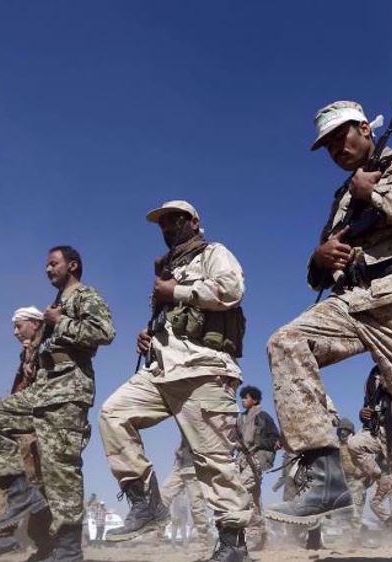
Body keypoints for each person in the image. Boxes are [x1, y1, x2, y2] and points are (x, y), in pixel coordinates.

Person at [265, 100, 392, 562]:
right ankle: (325, 476)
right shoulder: (340, 198)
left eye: (342, 137)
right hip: (352, 302)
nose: (337, 149)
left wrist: (373, 194)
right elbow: (321, 269)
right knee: (287, 341)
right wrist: (319, 258)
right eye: (329, 145)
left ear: (364, 129)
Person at [98, 201, 251, 562]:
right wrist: (149, 335)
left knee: (213, 460)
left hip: (204, 370)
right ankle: (147, 504)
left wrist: (177, 292)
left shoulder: (214, 253)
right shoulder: (167, 270)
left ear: (194, 221)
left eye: (175, 220)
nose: (168, 228)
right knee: (113, 414)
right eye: (163, 224)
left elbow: (231, 290)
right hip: (163, 370)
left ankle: (233, 543)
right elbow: (172, 321)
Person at [0, 246, 115, 562]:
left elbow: (105, 332)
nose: (47, 269)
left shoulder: (83, 296)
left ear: (72, 265)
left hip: (68, 393)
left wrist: (60, 321)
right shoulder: (55, 304)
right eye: (46, 265)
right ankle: (21, 493)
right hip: (43, 390)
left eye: (53, 264)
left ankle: (67, 549)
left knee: (60, 471)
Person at [0, 306, 49, 560]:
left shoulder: (48, 342)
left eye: (19, 325)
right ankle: (2, 535)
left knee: (40, 484)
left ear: (36, 323)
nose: (15, 332)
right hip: (26, 424)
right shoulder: (27, 353)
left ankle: (46, 544)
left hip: (46, 423)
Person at [347, 367, 392, 547]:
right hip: (376, 431)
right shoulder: (372, 375)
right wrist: (364, 414)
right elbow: (369, 406)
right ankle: (381, 476)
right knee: (354, 444)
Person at [236, 385, 279, 551]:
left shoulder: (263, 417)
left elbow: (274, 439)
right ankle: (262, 533)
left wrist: (258, 446)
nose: (242, 400)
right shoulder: (241, 419)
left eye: (245, 397)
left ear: (254, 399)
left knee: (241, 489)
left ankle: (253, 532)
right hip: (243, 460)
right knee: (253, 499)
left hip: (259, 459)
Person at [161, 437, 211, 549]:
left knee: (196, 505)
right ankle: (157, 533)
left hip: (193, 466)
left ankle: (204, 540)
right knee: (163, 495)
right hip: (180, 465)